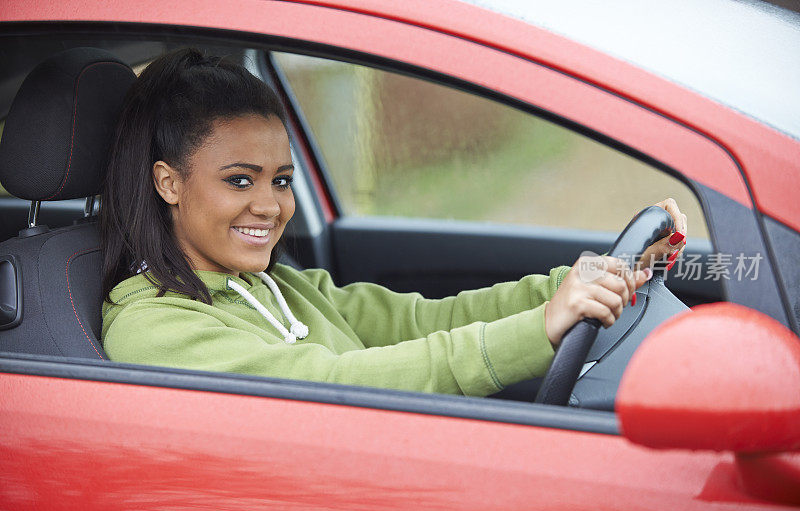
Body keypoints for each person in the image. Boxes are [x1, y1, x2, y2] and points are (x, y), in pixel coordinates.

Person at [100, 48, 687, 397]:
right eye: (239, 180)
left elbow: (421, 320)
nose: (271, 205)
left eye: (281, 180)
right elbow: (332, 384)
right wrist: (541, 329)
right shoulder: (153, 327)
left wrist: (586, 282)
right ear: (168, 183)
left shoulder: (279, 286)